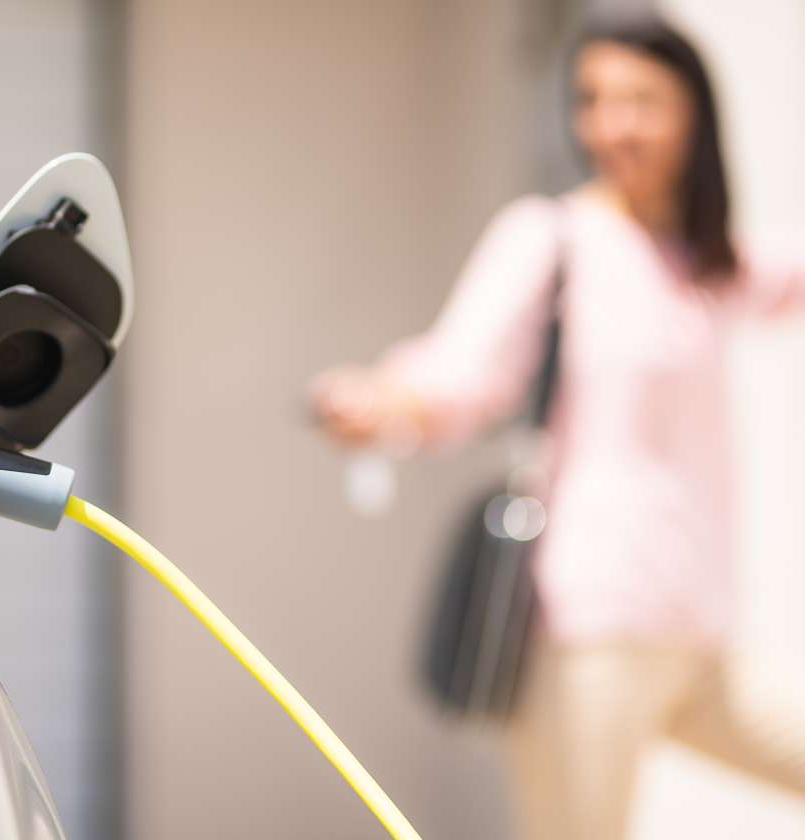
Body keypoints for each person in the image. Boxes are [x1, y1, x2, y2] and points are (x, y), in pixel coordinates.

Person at [310, 19, 805, 840]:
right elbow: (459, 371)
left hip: (700, 636)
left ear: (695, 117)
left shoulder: (705, 264)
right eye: (593, 101)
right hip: (586, 633)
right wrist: (383, 398)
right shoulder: (551, 238)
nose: (613, 125)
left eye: (643, 101)